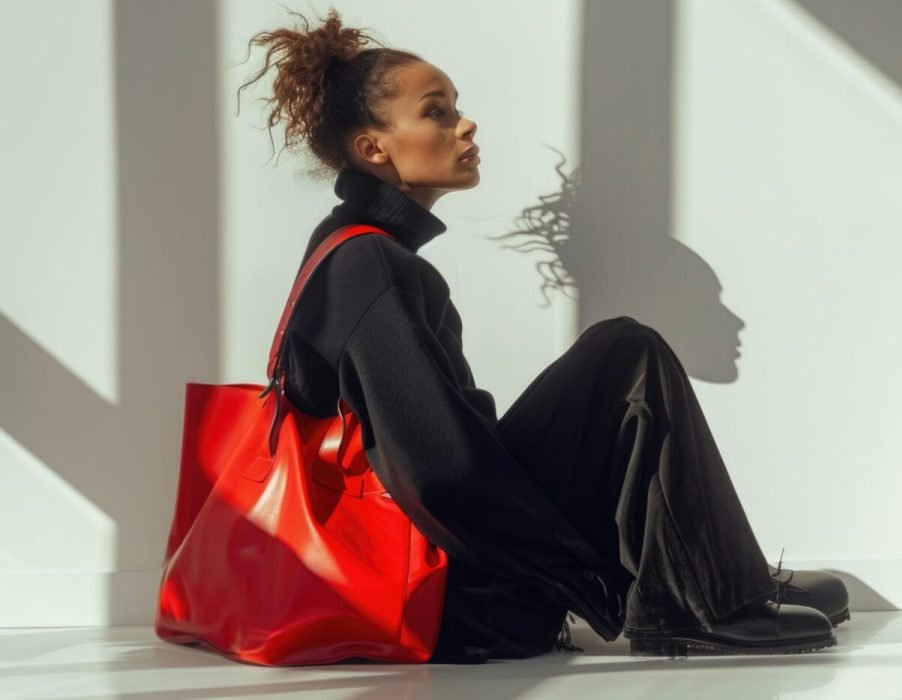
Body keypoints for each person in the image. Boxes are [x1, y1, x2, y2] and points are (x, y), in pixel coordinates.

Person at [237, 7, 849, 663]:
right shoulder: (369, 264)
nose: (465, 123)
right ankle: (707, 593)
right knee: (625, 354)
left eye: (456, 107)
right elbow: (443, 472)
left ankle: (716, 574)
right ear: (374, 149)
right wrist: (586, 578)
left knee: (619, 352)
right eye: (436, 112)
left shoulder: (358, 251)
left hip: (454, 582)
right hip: (455, 604)